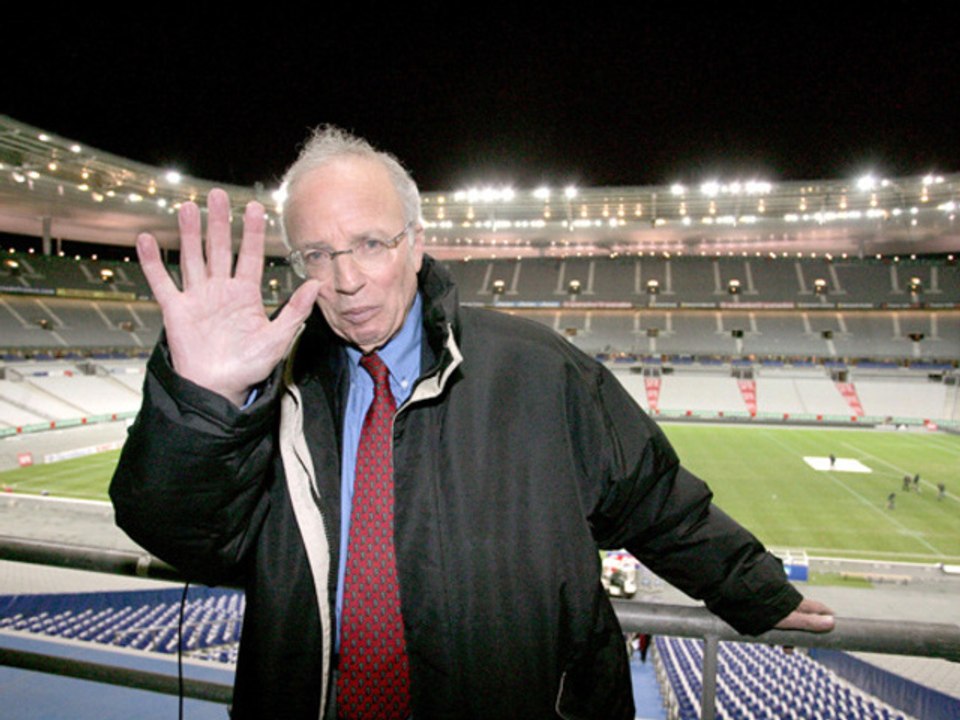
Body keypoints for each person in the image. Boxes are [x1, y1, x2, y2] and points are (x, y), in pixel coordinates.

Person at [110, 126, 834, 720]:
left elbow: (651, 497)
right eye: (318, 255)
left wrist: (754, 588)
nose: (347, 279)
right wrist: (203, 402)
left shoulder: (540, 370)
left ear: (416, 243)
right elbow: (183, 534)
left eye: (369, 243)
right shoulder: (272, 389)